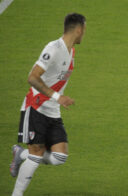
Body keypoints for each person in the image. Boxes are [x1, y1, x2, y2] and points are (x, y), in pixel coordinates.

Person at [10, 13, 86, 195]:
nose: (84, 34)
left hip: (53, 111)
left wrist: (56, 100)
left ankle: (20, 155)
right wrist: (57, 97)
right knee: (36, 155)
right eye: (84, 30)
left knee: (60, 156)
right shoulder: (53, 49)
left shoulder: (71, 51)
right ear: (78, 29)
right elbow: (32, 77)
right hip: (35, 107)